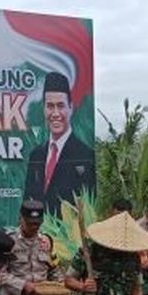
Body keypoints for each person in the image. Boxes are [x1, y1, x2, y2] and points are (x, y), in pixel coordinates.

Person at [23, 72, 95, 214]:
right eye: (50, 106)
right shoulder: (36, 155)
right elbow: (27, 201)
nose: (55, 113)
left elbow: (88, 207)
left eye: (60, 106)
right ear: (44, 109)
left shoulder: (85, 155)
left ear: (70, 108)